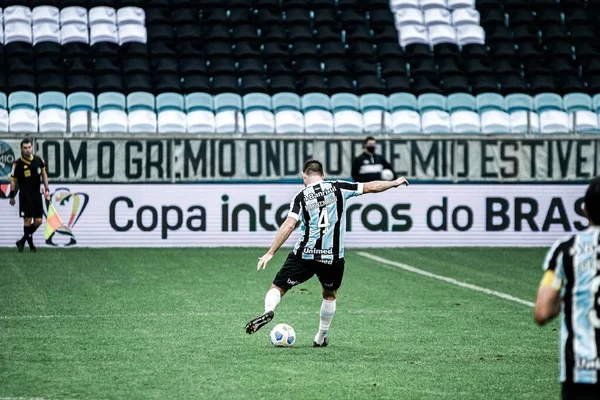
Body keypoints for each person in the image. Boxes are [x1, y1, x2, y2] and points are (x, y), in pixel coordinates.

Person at [245, 159, 409, 346]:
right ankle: (320, 337)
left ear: (304, 176)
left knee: (278, 288)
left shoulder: (300, 196)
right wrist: (393, 183)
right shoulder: (339, 187)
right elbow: (372, 186)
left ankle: (269, 310)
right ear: (322, 175)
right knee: (329, 295)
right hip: (332, 257)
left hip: (304, 255)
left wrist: (271, 252)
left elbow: (289, 225)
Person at [534, 176, 600, 399]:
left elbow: (542, 312)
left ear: (585, 210)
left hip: (580, 370)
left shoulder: (566, 250)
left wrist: (572, 292)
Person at [8, 138, 50, 252]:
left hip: (36, 195)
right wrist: (12, 196)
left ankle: (22, 241)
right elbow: (13, 180)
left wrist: (47, 189)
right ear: (21, 149)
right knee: (27, 220)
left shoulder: (38, 160)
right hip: (25, 195)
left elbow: (44, 174)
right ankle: (31, 246)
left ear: (32, 147)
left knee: (38, 221)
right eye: (25, 148)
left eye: (29, 147)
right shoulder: (17, 164)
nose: (27, 150)